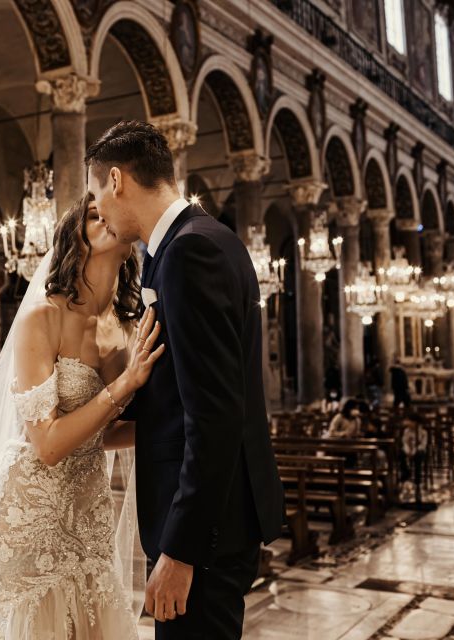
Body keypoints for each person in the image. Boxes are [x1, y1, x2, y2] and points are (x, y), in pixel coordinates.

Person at [0, 196, 165, 639]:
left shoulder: (128, 326)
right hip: (28, 511)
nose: (105, 217)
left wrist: (169, 429)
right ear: (74, 238)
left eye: (108, 211)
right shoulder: (43, 317)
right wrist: (125, 384)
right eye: (92, 215)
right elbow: (49, 445)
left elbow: (100, 433)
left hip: (87, 513)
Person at [87, 120, 284, 639]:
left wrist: (181, 550)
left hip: (205, 534)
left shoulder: (188, 252)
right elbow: (182, 397)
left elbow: (215, 414)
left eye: (96, 196)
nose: (99, 211)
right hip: (216, 522)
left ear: (115, 179)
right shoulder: (198, 241)